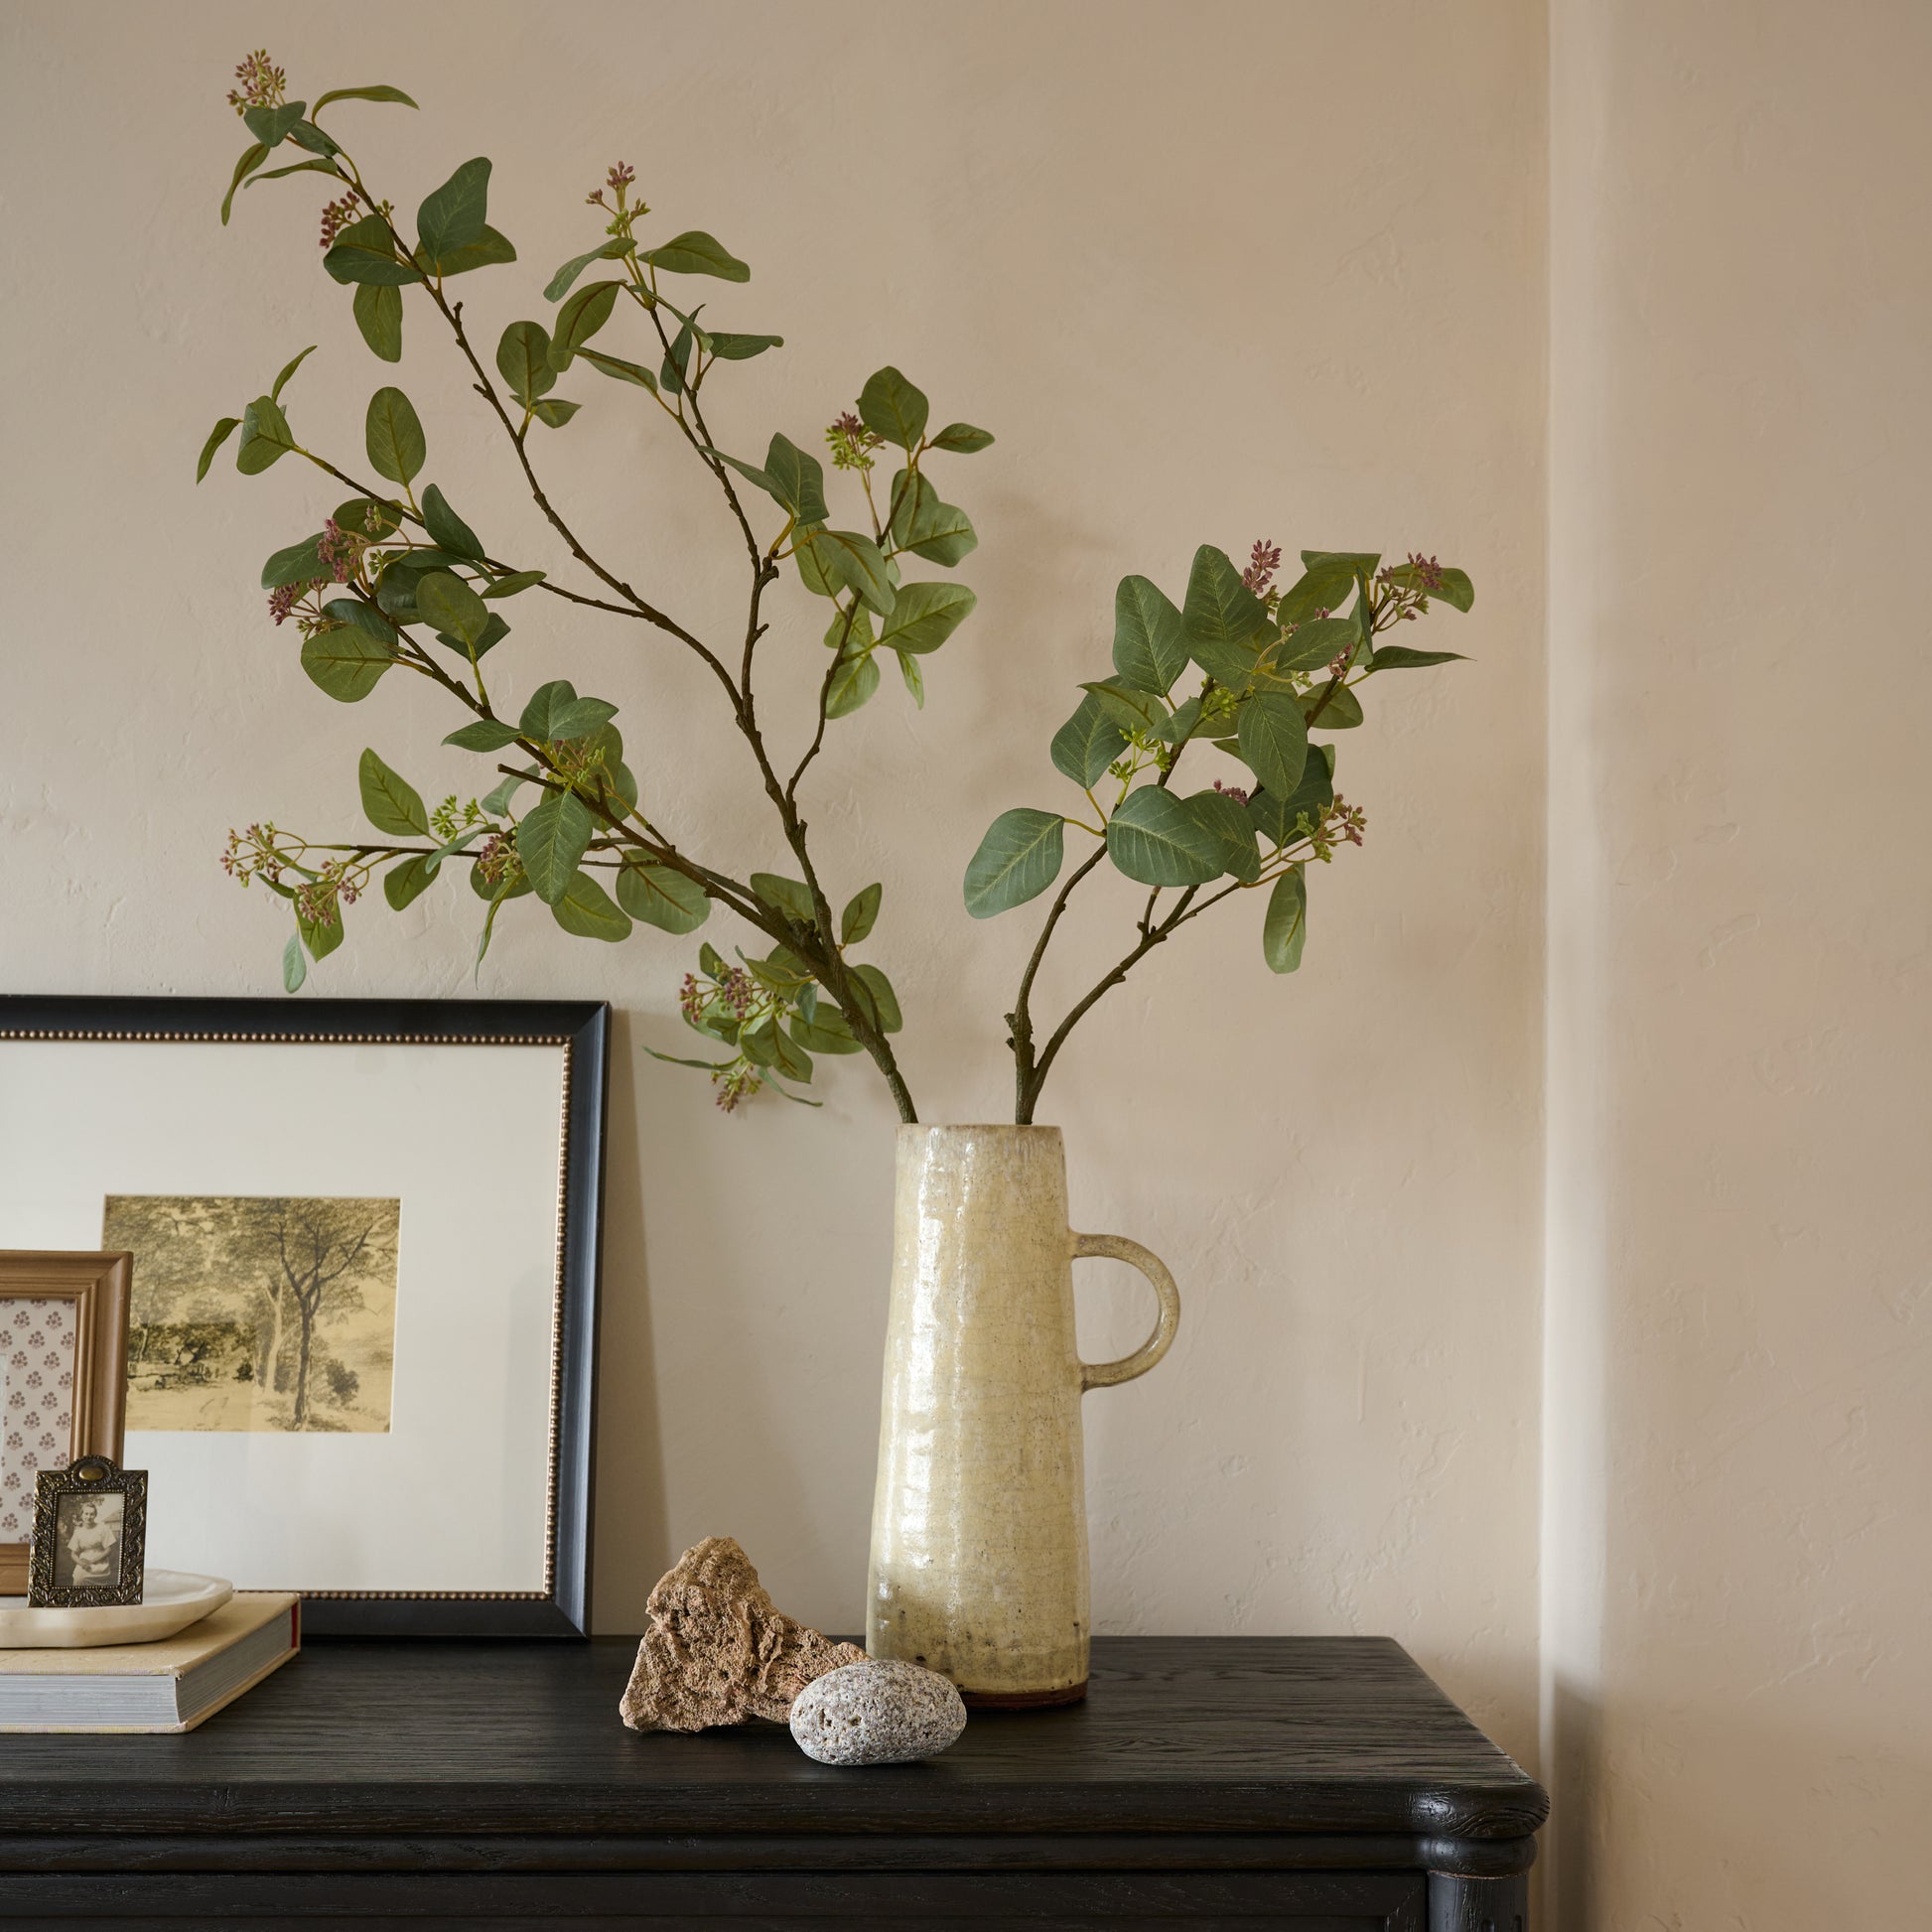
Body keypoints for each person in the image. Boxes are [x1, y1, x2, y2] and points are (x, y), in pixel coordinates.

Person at [62, 1498, 119, 1585]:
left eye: (92, 1514)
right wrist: (82, 1563)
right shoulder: (78, 1531)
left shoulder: (102, 1528)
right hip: (84, 1562)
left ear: (95, 1515)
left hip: (100, 1563)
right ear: (82, 1515)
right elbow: (73, 1553)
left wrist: (92, 1561)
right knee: (78, 1577)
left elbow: (109, 1550)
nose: (88, 1517)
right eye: (86, 1514)